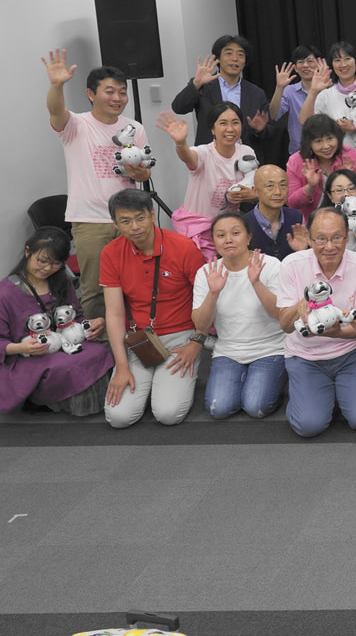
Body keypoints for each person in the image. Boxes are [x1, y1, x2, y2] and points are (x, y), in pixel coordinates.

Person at [43, 48, 152, 324]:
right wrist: (56, 85)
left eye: (122, 92)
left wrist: (140, 172)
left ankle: (139, 337)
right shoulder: (76, 125)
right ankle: (103, 344)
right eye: (109, 91)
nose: (117, 98)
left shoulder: (135, 128)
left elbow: (143, 175)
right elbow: (55, 111)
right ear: (91, 94)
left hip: (130, 219)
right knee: (95, 289)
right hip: (90, 219)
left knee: (138, 282)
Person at [275, 207, 356, 437]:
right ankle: (314, 391)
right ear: (309, 237)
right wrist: (301, 305)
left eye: (336, 238)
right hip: (305, 356)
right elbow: (285, 325)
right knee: (308, 426)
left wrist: (336, 333)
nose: (329, 247)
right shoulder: (291, 264)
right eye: (321, 239)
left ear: (347, 236)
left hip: (351, 352)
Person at [101, 190, 207, 428]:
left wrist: (196, 342)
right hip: (140, 339)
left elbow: (208, 300)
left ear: (152, 214)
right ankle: (152, 383)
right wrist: (121, 366)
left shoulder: (183, 247)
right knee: (118, 417)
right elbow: (115, 313)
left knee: (168, 414)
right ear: (115, 224)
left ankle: (168, 384)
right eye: (125, 221)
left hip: (181, 337)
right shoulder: (111, 253)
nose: (135, 227)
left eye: (140, 218)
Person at [0, 227, 111, 415]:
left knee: (100, 350)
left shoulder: (61, 281)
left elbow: (76, 316)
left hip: (61, 344)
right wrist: (21, 348)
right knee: (66, 365)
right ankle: (40, 400)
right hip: (25, 356)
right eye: (42, 261)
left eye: (56, 263)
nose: (48, 269)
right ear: (28, 252)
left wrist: (90, 324)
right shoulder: (2, 295)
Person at [192, 212, 286, 419]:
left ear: (249, 237)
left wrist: (256, 282)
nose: (228, 240)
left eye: (235, 233)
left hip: (270, 349)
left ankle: (273, 381)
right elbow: (201, 325)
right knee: (219, 409)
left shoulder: (270, 265)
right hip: (228, 351)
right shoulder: (207, 272)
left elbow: (280, 315)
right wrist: (213, 293)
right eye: (221, 235)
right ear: (213, 241)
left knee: (255, 407)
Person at [158, 103, 257, 262]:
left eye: (235, 123)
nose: (230, 129)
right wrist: (181, 143)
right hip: (198, 228)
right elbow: (188, 157)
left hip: (228, 228)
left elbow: (254, 184)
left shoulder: (246, 152)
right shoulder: (203, 152)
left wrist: (251, 196)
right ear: (212, 129)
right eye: (223, 123)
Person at [171, 34, 271, 147]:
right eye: (229, 54)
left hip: (245, 154)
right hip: (209, 153)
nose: (235, 59)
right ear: (218, 59)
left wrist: (260, 130)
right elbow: (178, 107)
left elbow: (269, 132)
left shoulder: (256, 93)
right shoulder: (204, 86)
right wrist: (196, 84)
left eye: (240, 55)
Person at [303, 42, 356, 167]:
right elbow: (306, 122)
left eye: (347, 58)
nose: (343, 64)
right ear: (331, 65)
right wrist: (313, 91)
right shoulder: (325, 95)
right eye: (337, 60)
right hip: (339, 163)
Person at [285, 114, 356, 222]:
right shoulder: (296, 161)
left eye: (330, 138)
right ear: (309, 143)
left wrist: (350, 178)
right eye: (318, 141)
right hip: (312, 223)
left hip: (348, 219)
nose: (326, 146)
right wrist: (310, 187)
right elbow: (291, 203)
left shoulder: (349, 155)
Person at [244, 164, 307, 261]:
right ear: (255, 191)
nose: (278, 192)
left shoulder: (297, 217)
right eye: (270, 186)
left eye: (283, 185)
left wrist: (302, 251)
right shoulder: (243, 223)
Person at [269, 45, 320, 155]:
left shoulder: (328, 90)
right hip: (299, 152)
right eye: (301, 62)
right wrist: (279, 87)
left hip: (326, 150)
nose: (305, 65)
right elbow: (273, 115)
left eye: (310, 61)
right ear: (296, 68)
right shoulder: (290, 91)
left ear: (318, 64)